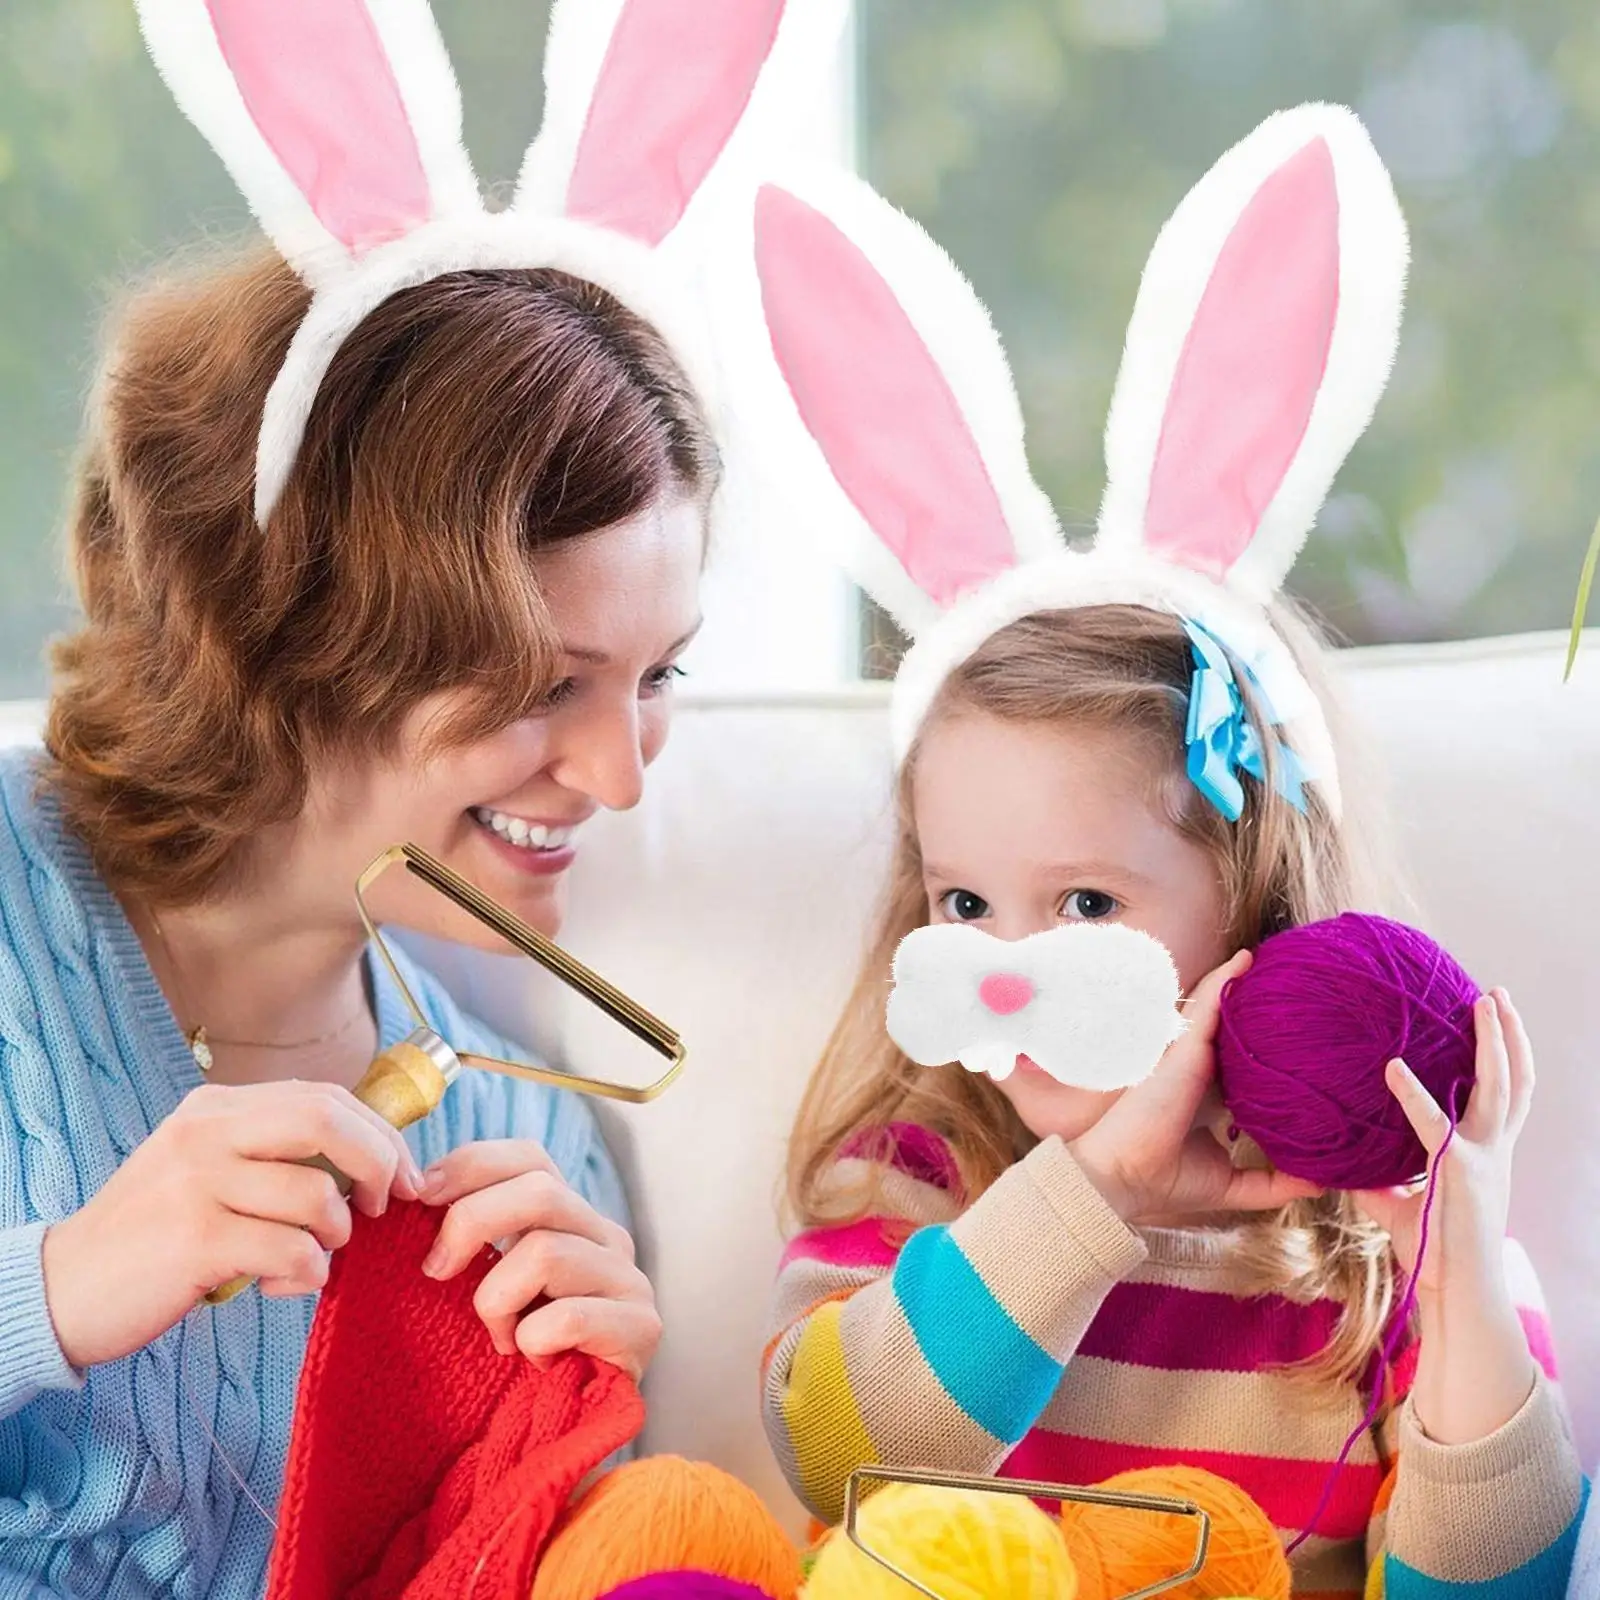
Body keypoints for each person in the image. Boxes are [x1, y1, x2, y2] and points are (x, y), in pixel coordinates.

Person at [0, 0, 829, 1591]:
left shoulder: (520, 1137)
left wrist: (573, 1449)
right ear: (295, 633)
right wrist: (68, 1280)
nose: (619, 777)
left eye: (657, 678)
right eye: (544, 686)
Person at [749, 107, 1588, 1595]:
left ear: (1259, 906)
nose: (1011, 968)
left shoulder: (1378, 1271)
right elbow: (833, 1453)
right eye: (965, 903)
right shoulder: (919, 1180)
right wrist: (1097, 1199)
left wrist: (1458, 1269)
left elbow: (1493, 1587)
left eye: (1085, 901)